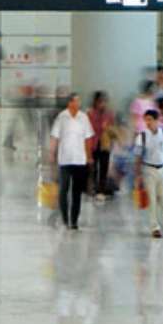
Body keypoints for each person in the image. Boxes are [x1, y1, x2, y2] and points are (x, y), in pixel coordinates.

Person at [48, 94, 94, 229]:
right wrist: (51, 153)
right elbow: (54, 137)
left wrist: (89, 156)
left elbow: (88, 138)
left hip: (79, 160)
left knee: (76, 192)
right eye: (76, 101)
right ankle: (64, 218)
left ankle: (74, 221)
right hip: (65, 159)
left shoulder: (83, 118)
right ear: (70, 103)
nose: (78, 103)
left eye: (79, 101)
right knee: (63, 190)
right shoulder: (62, 117)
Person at [133, 109, 163, 238]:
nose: (147, 122)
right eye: (146, 120)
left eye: (150, 120)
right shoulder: (142, 136)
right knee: (152, 199)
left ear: (156, 120)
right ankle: (155, 227)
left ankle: (161, 222)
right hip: (149, 169)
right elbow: (137, 156)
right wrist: (138, 175)